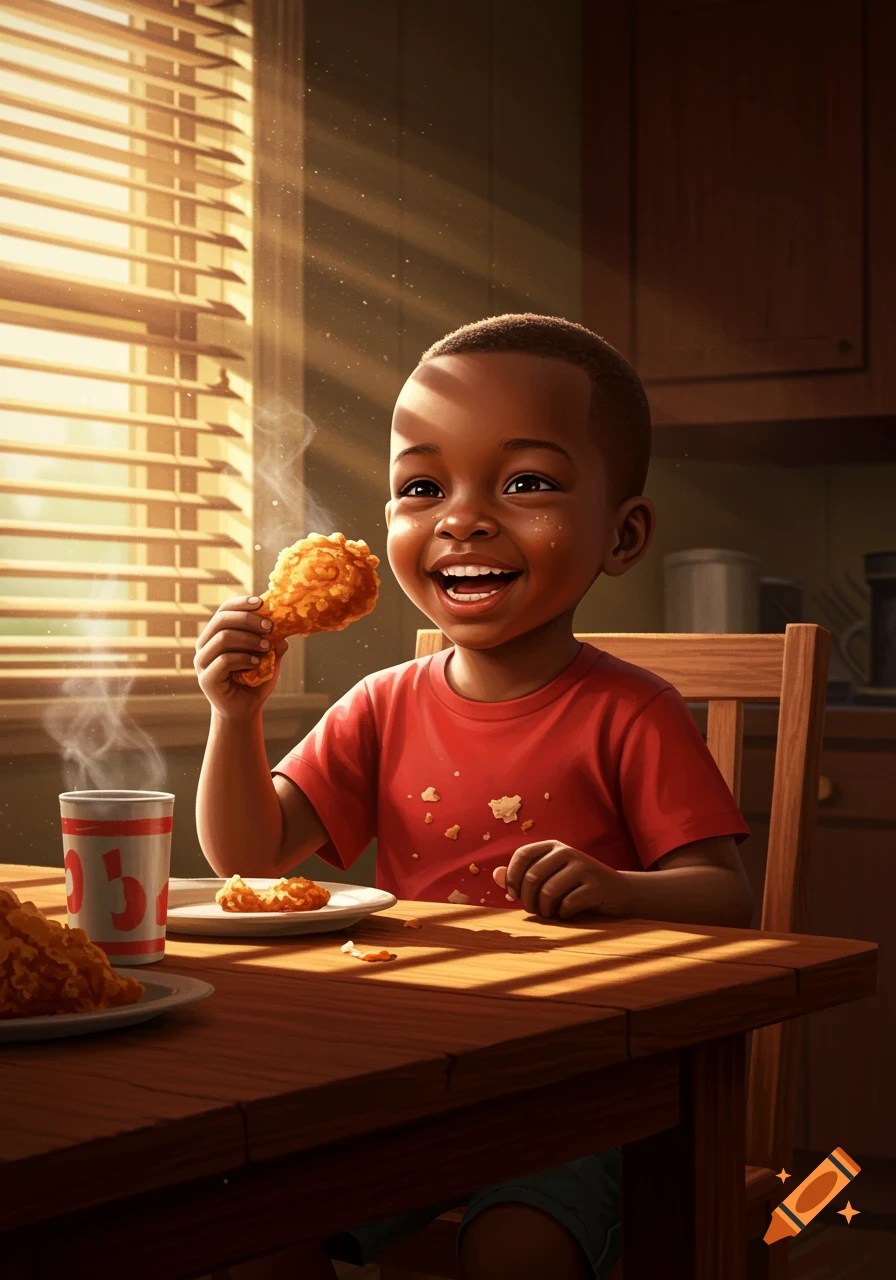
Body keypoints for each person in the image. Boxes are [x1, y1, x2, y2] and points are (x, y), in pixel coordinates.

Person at [194, 314, 753, 1280]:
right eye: (422, 487)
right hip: (410, 1070)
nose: (462, 517)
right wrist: (233, 718)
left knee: (517, 1249)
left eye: (525, 483)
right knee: (244, 1228)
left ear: (623, 534)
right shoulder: (380, 706)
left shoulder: (633, 713)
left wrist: (621, 888)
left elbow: (724, 893)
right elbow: (248, 858)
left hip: (583, 1085)